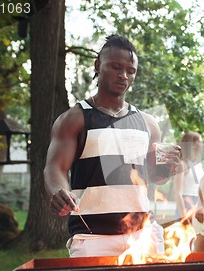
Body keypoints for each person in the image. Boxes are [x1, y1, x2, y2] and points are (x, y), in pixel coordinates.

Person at [43, 34, 180, 257]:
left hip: (143, 233)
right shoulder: (75, 119)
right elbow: (55, 167)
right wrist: (59, 191)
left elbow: (157, 177)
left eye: (130, 70)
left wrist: (169, 168)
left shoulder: (148, 123)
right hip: (92, 237)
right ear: (98, 66)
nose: (123, 75)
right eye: (116, 67)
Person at [174, 132, 204, 222]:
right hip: (186, 204)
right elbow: (177, 193)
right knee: (185, 236)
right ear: (192, 144)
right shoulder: (182, 164)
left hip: (198, 205)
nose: (203, 145)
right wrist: (183, 216)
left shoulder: (199, 165)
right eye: (200, 142)